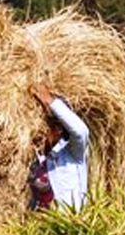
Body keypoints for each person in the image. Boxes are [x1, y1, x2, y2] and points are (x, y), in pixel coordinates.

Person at [26, 83, 90, 212]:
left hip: (72, 225)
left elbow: (81, 131)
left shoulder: (72, 154)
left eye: (45, 128)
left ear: (58, 130)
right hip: (42, 227)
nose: (40, 133)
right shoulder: (34, 159)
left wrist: (50, 101)